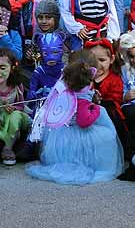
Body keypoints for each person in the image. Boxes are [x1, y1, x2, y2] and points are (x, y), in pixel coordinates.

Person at [26, 52, 124, 185]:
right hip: (76, 134)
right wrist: (95, 109)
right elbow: (83, 122)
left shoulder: (62, 89)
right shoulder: (82, 99)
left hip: (60, 135)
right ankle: (88, 162)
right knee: (106, 135)